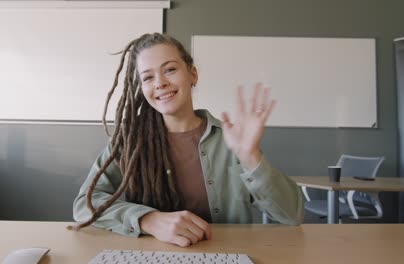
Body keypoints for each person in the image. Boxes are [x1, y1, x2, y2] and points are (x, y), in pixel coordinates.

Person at [71, 33, 303, 247]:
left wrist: (251, 157)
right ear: (142, 88)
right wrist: (147, 220)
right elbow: (85, 204)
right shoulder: (130, 142)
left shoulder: (231, 140)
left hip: (226, 254)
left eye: (169, 69)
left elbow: (292, 214)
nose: (160, 83)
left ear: (192, 74)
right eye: (148, 77)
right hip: (150, 256)